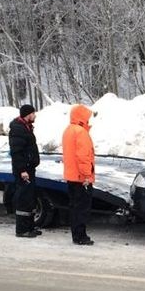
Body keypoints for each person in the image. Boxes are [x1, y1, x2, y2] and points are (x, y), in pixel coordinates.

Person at [62, 104, 96, 246]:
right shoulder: (81, 132)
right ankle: (81, 236)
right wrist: (87, 176)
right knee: (82, 209)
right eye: (87, 117)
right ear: (82, 117)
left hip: (71, 176)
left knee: (75, 207)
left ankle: (76, 235)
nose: (89, 120)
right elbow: (83, 157)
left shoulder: (68, 130)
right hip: (81, 178)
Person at [9, 104, 41, 238]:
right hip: (24, 170)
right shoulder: (18, 129)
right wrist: (22, 170)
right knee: (24, 199)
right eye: (33, 113)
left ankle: (30, 227)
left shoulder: (26, 127)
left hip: (29, 168)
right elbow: (17, 152)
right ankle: (22, 230)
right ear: (28, 114)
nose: (35, 116)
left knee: (30, 199)